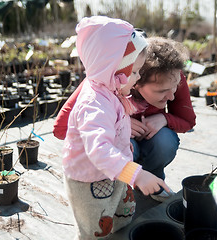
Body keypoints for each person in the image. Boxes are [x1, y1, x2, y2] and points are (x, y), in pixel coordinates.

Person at [61, 16, 170, 239]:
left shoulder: (109, 90)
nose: (138, 77)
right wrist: (137, 175)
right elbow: (99, 150)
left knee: (121, 217)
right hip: (89, 182)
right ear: (111, 68)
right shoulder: (94, 104)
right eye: (134, 72)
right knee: (96, 229)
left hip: (116, 172)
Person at [130, 36, 196, 202]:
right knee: (125, 146)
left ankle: (154, 180)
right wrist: (117, 123)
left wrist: (165, 118)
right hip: (123, 145)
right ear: (136, 81)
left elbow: (188, 121)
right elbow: (64, 126)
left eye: (174, 88)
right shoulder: (115, 78)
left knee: (165, 141)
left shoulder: (173, 76)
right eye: (162, 91)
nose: (172, 96)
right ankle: (120, 190)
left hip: (151, 142)